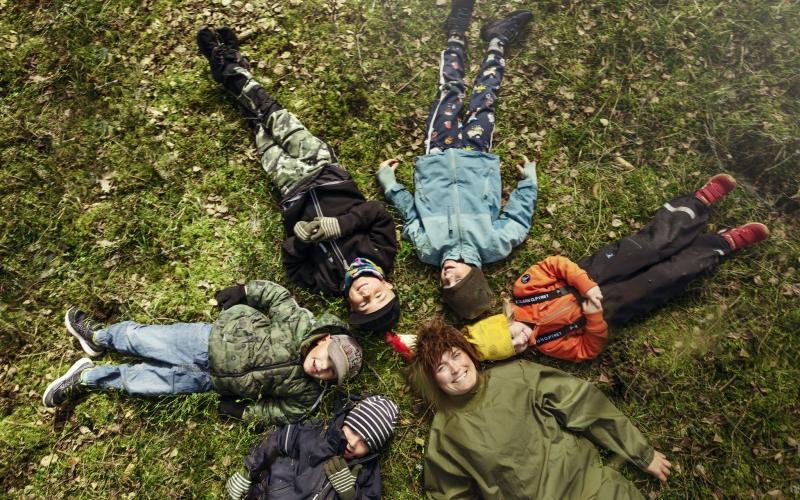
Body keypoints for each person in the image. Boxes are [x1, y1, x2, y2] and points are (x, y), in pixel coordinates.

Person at [197, 27, 400, 333]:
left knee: (259, 128)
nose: (366, 294)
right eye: (378, 296)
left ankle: (233, 65)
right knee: (273, 114)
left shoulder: (328, 284)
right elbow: (377, 213)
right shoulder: (383, 253)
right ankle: (226, 66)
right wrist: (340, 225)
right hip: (325, 171)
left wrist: (300, 241)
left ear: (350, 305)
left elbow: (293, 266)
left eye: (363, 304)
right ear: (389, 286)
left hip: (291, 189)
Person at [459, 173, 770, 362]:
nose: (520, 342)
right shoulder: (549, 345)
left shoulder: (524, 291)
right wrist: (594, 316)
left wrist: (585, 286)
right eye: (515, 349)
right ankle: (724, 243)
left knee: (654, 245)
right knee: (672, 275)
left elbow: (554, 264)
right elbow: (588, 349)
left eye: (511, 336)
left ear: (504, 320)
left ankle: (698, 202)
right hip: (618, 303)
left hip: (599, 271)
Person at [375, 1, 538, 321]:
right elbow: (519, 219)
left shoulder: (428, 250)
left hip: (437, 156)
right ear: (475, 274)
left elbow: (410, 214)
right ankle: (497, 40)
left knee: (450, 91)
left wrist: (390, 185)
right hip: (477, 158)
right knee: (485, 100)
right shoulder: (494, 245)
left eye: (445, 285)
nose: (447, 277)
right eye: (457, 281)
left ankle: (456, 32)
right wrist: (529, 184)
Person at [410, 318, 672, 499]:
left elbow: (583, 404)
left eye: (456, 355)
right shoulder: (444, 435)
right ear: (434, 381)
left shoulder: (516, 376)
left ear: (469, 354)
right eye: (441, 367)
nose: (455, 368)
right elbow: (449, 495)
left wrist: (640, 452)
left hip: (594, 490)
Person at [42, 280, 363, 425]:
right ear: (324, 340)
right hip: (206, 340)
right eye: (327, 359)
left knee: (142, 383)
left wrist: (245, 414)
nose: (321, 368)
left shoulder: (308, 395)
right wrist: (245, 292)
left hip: (210, 382)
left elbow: (280, 413)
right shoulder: (301, 324)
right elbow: (276, 297)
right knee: (143, 338)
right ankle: (99, 337)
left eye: (330, 373)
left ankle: (87, 377)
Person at [225, 395, 399, 500]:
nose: (353, 443)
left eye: (365, 443)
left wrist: (350, 495)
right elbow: (277, 439)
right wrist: (248, 470)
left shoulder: (366, 472)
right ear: (345, 422)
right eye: (353, 430)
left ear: (373, 449)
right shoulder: (317, 433)